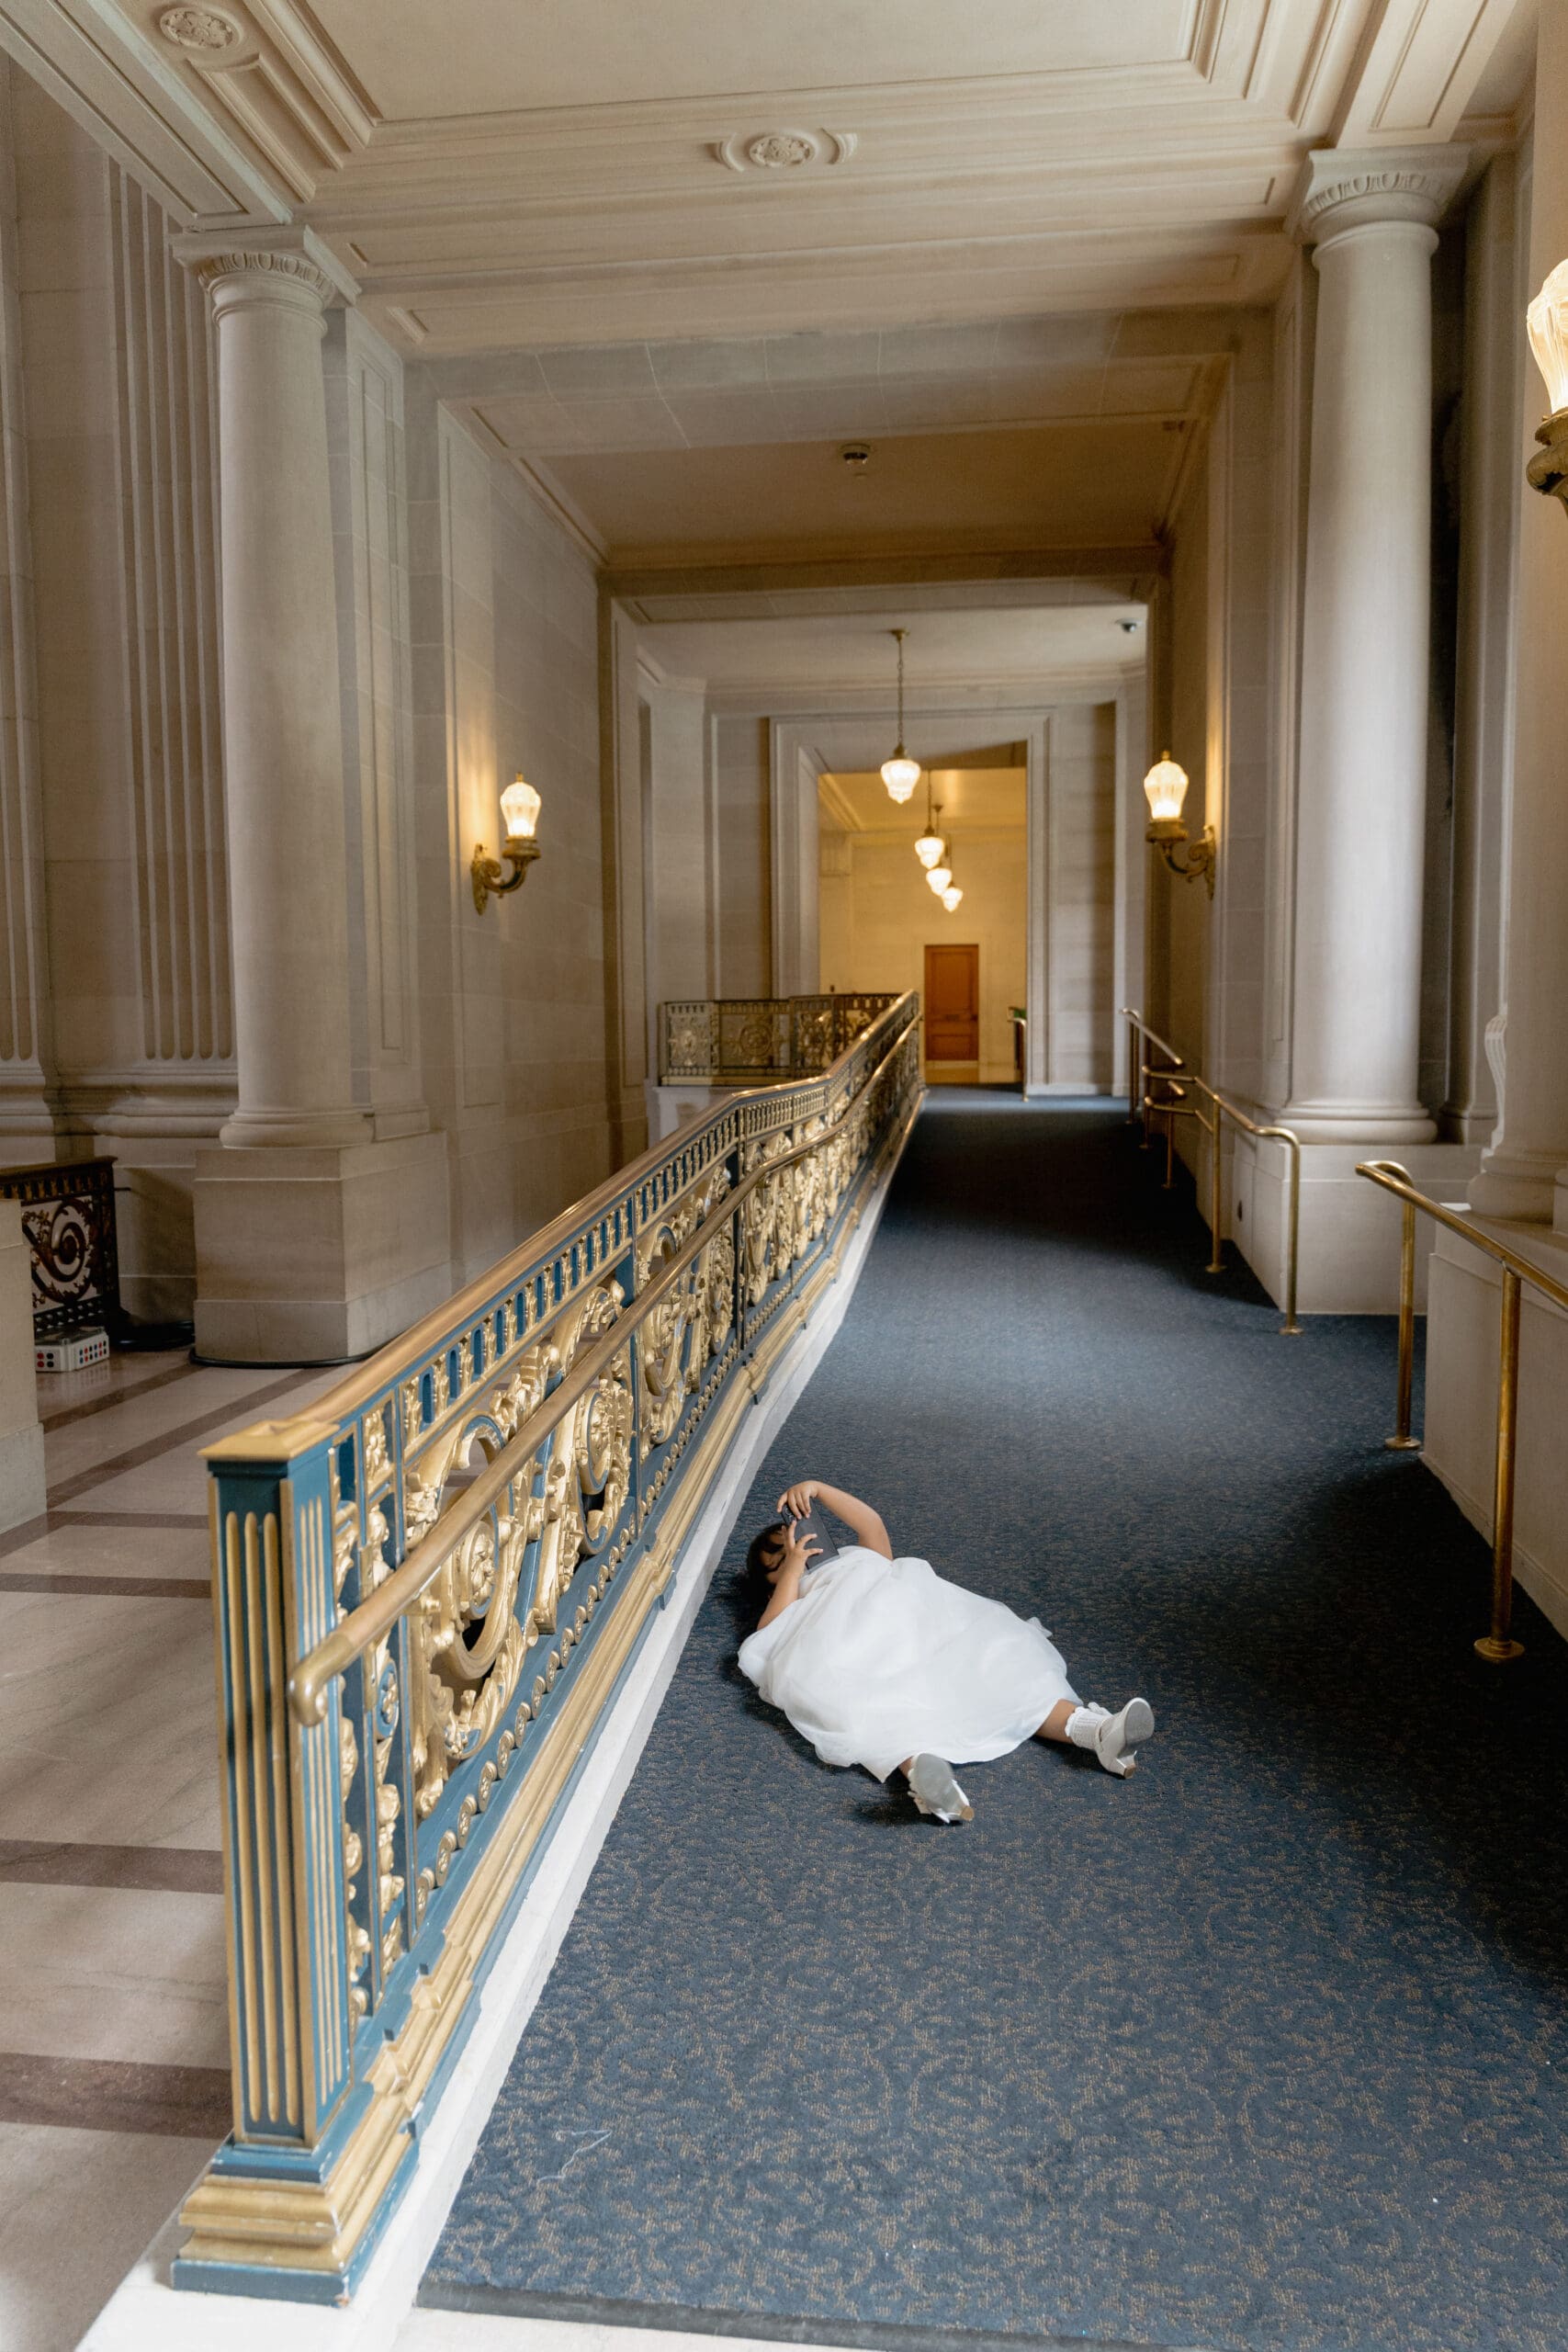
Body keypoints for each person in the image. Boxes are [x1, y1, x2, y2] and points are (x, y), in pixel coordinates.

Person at [737, 1476, 1154, 1823]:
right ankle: (927, 1777)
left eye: (792, 1539)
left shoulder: (860, 1556)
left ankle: (1097, 1732)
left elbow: (873, 1525)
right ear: (770, 1583)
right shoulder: (800, 1596)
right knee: (875, 1704)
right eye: (777, 1561)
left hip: (927, 1625)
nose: (793, 1551)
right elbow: (769, 1632)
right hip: (858, 1645)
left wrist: (819, 1490)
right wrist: (793, 1569)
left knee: (997, 1666)